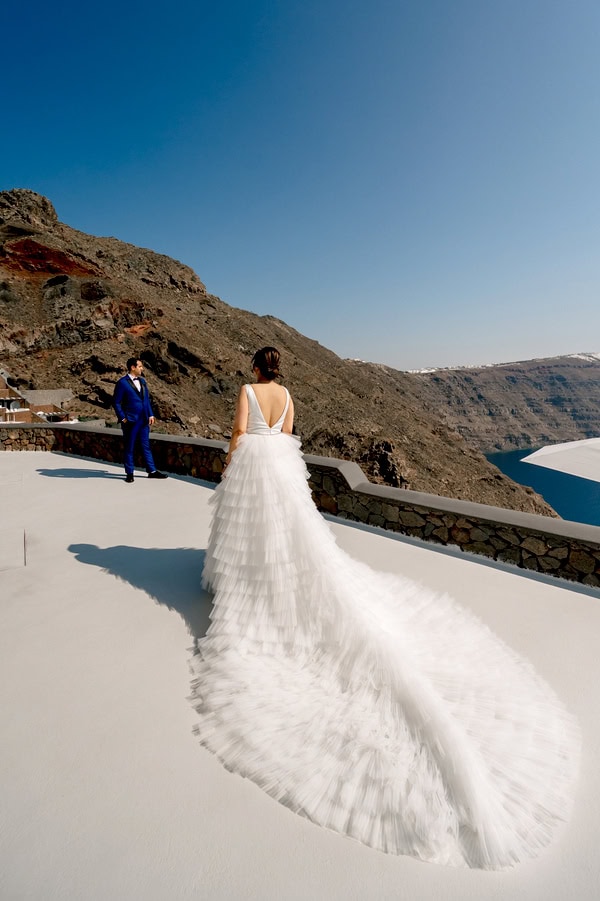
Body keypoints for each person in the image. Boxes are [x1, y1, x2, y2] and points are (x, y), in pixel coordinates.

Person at [190, 346, 580, 870]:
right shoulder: (286, 396)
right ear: (279, 369)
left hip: (255, 466)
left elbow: (239, 434)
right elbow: (283, 437)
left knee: (251, 532)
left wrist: (233, 460)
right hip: (281, 467)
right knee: (290, 536)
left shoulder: (247, 391)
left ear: (255, 368)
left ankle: (247, 589)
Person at [113, 358, 168, 483]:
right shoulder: (122, 383)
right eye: (140, 366)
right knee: (129, 447)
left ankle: (152, 471)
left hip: (143, 420)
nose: (142, 369)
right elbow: (116, 402)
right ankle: (129, 473)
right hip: (130, 421)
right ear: (133, 367)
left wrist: (150, 414)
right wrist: (123, 418)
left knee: (145, 446)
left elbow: (146, 400)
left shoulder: (143, 381)